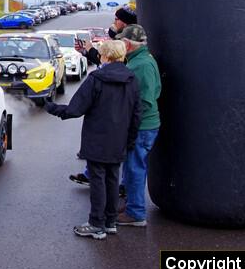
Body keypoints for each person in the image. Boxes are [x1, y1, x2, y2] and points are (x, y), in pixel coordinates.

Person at [43, 40, 141, 240]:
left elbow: (75, 109)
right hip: (119, 139)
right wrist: (130, 140)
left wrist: (51, 107)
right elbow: (136, 114)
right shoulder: (132, 80)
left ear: (105, 56)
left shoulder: (96, 79)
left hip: (97, 139)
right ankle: (110, 221)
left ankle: (96, 223)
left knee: (97, 181)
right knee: (113, 180)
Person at [114, 24, 161, 227]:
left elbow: (146, 99)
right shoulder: (142, 60)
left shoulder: (140, 65)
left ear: (127, 44)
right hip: (143, 124)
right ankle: (132, 204)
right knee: (132, 166)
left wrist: (128, 121)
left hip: (142, 127)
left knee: (135, 168)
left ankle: (136, 213)